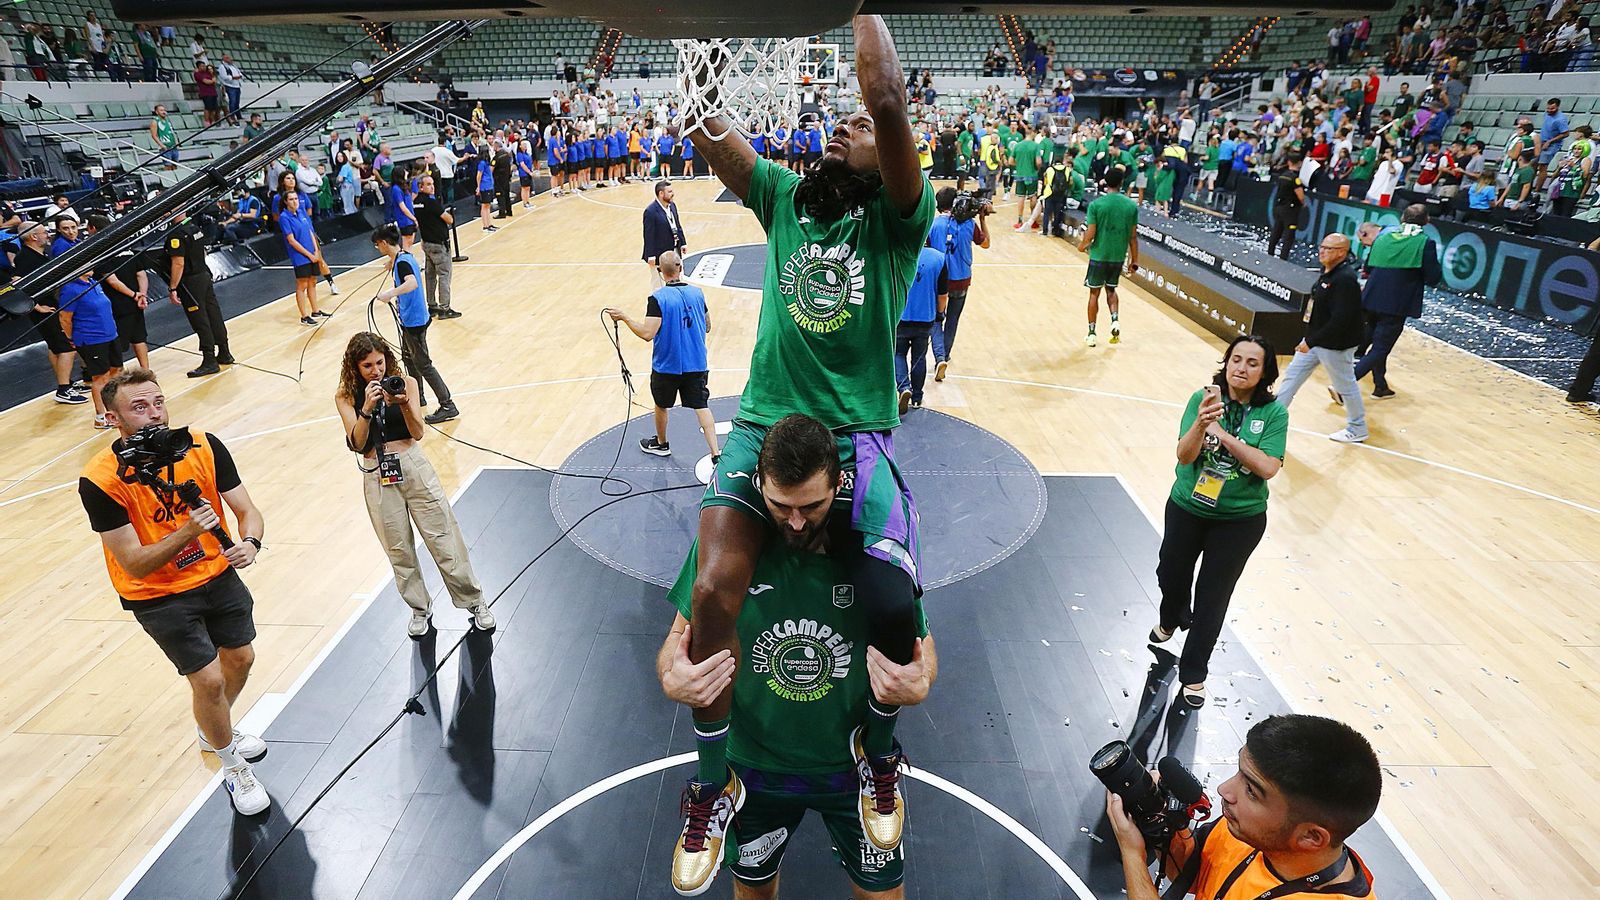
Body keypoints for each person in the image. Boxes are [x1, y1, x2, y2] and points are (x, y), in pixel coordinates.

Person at [670, 15, 934, 894]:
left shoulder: (900, 222)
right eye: (843, 123)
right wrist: (696, 37)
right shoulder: (783, 194)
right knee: (713, 588)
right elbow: (712, 135)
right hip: (765, 428)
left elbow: (887, 97)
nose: (848, 127)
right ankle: (713, 781)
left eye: (860, 129)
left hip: (854, 436)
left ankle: (878, 757)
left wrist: (857, 8)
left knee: (892, 597)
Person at [657, 414, 937, 899]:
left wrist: (921, 679)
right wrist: (671, 677)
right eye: (780, 504)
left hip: (853, 768)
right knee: (753, 893)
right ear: (759, 484)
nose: (795, 520)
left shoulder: (875, 547)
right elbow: (676, 640)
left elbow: (921, 642)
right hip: (752, 769)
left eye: (812, 505)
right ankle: (713, 789)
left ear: (840, 485)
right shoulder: (729, 547)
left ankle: (878, 759)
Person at [78, 368, 272, 815]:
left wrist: (250, 542)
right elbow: (133, 562)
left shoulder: (203, 444)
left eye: (159, 403)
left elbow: (246, 509)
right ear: (112, 418)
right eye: (139, 407)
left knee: (240, 660)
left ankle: (215, 725)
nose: (155, 415)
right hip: (157, 592)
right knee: (206, 680)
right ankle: (231, 765)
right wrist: (188, 531)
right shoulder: (101, 479)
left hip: (217, 574)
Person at [1150, 335, 1286, 706]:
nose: (1241, 368)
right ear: (1225, 363)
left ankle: (1194, 674)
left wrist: (1223, 435)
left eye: (1252, 363)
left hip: (1239, 521)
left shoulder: (1274, 413)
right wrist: (1200, 425)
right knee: (1170, 573)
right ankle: (1171, 615)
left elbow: (1268, 467)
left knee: (1213, 597)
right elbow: (1184, 455)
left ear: (1264, 372)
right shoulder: (1202, 400)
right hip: (1188, 507)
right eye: (1235, 359)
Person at [1109, 715, 1381, 900]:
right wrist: (1159, 820)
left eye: (1251, 790)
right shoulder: (1252, 830)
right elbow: (1191, 876)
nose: (1224, 790)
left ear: (1311, 837)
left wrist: (1132, 852)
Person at [334, 332, 494, 638]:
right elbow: (356, 442)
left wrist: (405, 404)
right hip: (376, 472)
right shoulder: (345, 396)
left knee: (443, 537)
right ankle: (420, 609)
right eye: (367, 366)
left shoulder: (405, 382)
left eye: (379, 362)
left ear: (386, 359)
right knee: (398, 549)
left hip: (413, 465)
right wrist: (367, 408)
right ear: (355, 368)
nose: (376, 370)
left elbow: (418, 432)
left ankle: (475, 602)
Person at [605, 251, 719, 461]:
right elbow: (708, 325)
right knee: (701, 405)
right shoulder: (697, 293)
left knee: (661, 404)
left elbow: (647, 333)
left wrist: (624, 318)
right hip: (696, 363)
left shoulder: (657, 298)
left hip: (668, 365)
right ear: (681, 269)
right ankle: (715, 453)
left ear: (660, 271)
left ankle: (662, 443)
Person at [1274, 234, 1368, 444]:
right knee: (1292, 376)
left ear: (1342, 253)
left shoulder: (1345, 280)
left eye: (1329, 248)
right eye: (1322, 246)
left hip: (1336, 344)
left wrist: (1311, 341)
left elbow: (1341, 319)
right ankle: (1272, 419)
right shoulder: (1327, 273)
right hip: (1317, 340)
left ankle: (1358, 427)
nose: (1322, 251)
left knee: (1345, 385)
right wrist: (1309, 338)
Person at [372, 224, 458, 424]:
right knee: (408, 358)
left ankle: (448, 404)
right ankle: (417, 397)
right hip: (412, 319)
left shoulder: (402, 263)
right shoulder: (404, 257)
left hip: (414, 321)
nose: (378, 248)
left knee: (423, 364)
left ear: (384, 243)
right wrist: (391, 263)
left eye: (378, 245)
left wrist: (389, 294)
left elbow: (412, 283)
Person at [1356, 205, 1441, 399]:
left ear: (1402, 218)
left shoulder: (1383, 237)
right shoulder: (1424, 242)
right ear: (1426, 221)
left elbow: (1368, 266)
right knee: (1381, 347)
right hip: (1396, 302)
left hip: (1371, 298)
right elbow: (1433, 277)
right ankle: (1347, 385)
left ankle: (1380, 386)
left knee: (1375, 342)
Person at [924, 188, 988, 382]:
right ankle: (945, 355)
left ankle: (939, 356)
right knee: (953, 320)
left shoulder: (934, 225)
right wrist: (983, 220)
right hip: (962, 279)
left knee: (936, 320)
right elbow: (985, 244)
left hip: (939, 279)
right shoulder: (970, 224)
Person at [1076, 166, 1139, 347]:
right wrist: (1134, 260)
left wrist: (1082, 246)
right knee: (1111, 290)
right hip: (1118, 256)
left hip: (1099, 255)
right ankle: (1115, 320)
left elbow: (1090, 233)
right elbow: (1133, 237)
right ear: (1122, 183)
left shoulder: (1096, 205)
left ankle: (1092, 333)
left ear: (1105, 182)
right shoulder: (1131, 206)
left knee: (1094, 293)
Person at [164, 214, 232, 377]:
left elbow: (178, 263)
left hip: (190, 281)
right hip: (203, 275)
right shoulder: (194, 228)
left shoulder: (177, 234)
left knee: (199, 319)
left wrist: (173, 288)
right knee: (213, 313)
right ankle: (224, 352)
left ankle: (209, 360)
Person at [57, 269, 122, 429]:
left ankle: (114, 409)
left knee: (117, 370)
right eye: (88, 263)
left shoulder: (93, 282)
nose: (93, 265)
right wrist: (71, 338)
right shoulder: (70, 289)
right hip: (91, 339)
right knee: (100, 378)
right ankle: (101, 417)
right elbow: (65, 319)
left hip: (110, 335)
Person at [87, 214, 151, 372]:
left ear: (92, 228)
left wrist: (135, 295)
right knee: (139, 338)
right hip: (136, 303)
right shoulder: (127, 248)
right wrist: (141, 294)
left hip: (117, 305)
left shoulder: (101, 253)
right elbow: (141, 274)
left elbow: (113, 281)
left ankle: (118, 377)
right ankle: (146, 371)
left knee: (117, 345)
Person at [896, 245, 947, 413]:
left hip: (901, 317)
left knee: (898, 354)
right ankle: (917, 397)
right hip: (925, 319)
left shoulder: (899, 252)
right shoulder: (939, 259)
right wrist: (940, 313)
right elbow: (942, 295)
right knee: (920, 358)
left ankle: (904, 387)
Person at [413, 174, 460, 320]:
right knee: (444, 275)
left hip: (426, 243)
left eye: (432, 183)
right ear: (421, 186)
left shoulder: (416, 202)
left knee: (430, 276)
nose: (432, 187)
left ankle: (432, 306)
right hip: (439, 245)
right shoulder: (431, 203)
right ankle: (445, 308)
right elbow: (449, 219)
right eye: (428, 184)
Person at [279, 191, 329, 326]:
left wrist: (316, 250)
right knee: (302, 284)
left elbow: (310, 232)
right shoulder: (284, 217)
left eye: (296, 198)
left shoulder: (301, 212)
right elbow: (291, 240)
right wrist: (309, 254)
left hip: (312, 253)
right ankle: (304, 316)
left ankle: (315, 310)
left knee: (313, 281)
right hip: (300, 256)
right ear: (286, 201)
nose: (294, 201)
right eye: (291, 199)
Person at [642, 180, 687, 289]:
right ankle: (657, 304)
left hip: (675, 249)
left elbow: (677, 225)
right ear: (661, 193)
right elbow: (648, 235)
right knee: (658, 283)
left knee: (679, 278)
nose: (673, 194)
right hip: (659, 254)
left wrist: (683, 243)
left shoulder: (672, 206)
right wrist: (650, 255)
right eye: (670, 191)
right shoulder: (651, 211)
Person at [1265, 154, 1307, 260]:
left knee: (1277, 231)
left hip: (1279, 207)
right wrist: (1303, 204)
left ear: (1289, 162)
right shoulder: (1295, 179)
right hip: (1290, 210)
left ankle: (1270, 252)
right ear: (1299, 163)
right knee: (1289, 236)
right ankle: (1283, 258)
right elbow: (1300, 195)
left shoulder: (1282, 175)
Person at [150, 104, 179, 171]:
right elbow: (154, 135)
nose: (164, 112)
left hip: (173, 145)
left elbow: (172, 132)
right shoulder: (155, 122)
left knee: (175, 165)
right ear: (157, 112)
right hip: (165, 147)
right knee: (168, 165)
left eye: (164, 110)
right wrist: (162, 145)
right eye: (161, 110)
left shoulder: (167, 121)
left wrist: (177, 142)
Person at [475, 151, 497, 234]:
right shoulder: (481, 163)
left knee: (488, 205)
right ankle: (485, 226)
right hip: (484, 186)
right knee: (484, 206)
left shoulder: (487, 162)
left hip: (489, 185)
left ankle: (489, 224)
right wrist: (478, 187)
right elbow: (479, 175)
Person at [217, 53, 243, 124]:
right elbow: (224, 77)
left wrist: (239, 76)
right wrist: (233, 77)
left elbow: (239, 73)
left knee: (237, 102)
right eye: (227, 58)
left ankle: (238, 115)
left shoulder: (233, 66)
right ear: (224, 59)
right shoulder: (222, 67)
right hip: (230, 86)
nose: (230, 59)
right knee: (233, 101)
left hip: (237, 85)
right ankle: (232, 116)